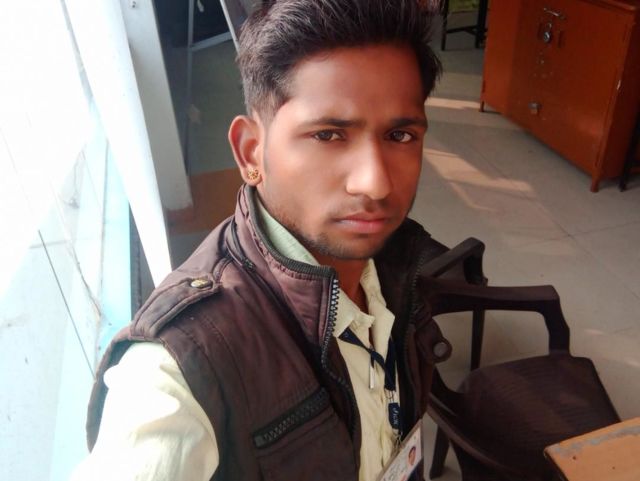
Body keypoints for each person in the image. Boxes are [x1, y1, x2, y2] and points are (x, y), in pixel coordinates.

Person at [72, 1, 452, 480]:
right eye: (329, 135)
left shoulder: (396, 264)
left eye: (399, 135)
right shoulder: (183, 368)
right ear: (251, 152)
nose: (375, 184)